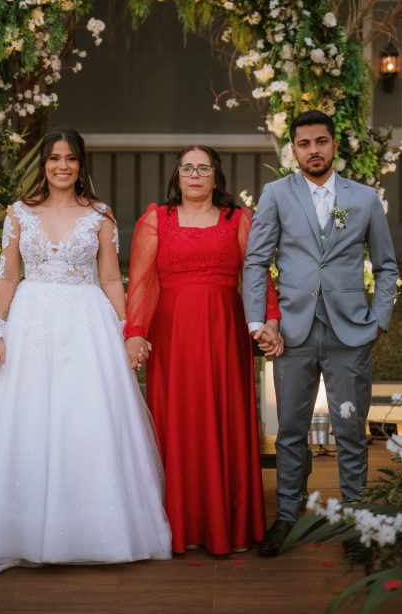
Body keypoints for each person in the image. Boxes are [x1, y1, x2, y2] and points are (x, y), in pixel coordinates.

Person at [0, 127, 172, 575]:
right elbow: (8, 277)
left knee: (87, 418)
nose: (62, 166)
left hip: (87, 324)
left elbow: (110, 278)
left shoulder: (99, 214)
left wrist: (125, 332)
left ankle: (94, 529)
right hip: (32, 322)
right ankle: (18, 529)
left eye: (71, 158)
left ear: (81, 164)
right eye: (54, 158)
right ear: (44, 164)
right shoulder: (19, 212)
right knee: (27, 418)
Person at [243, 110, 399, 557]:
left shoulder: (363, 198)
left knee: (350, 429)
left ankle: (356, 519)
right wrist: (258, 323)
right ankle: (287, 514)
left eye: (321, 141)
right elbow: (256, 261)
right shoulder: (276, 194)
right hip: (292, 333)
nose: (314, 150)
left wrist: (378, 320)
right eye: (304, 143)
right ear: (293, 150)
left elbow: (387, 266)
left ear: (333, 145)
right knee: (291, 430)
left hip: (351, 333)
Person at [124, 146, 283, 555]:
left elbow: (257, 275)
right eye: (187, 168)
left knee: (225, 416)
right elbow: (140, 282)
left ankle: (229, 523)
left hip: (224, 332)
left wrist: (270, 319)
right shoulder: (155, 220)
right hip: (173, 334)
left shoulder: (239, 219)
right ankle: (177, 525)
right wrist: (135, 331)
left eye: (203, 168)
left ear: (216, 176)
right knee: (177, 421)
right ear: (177, 176)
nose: (194, 175)